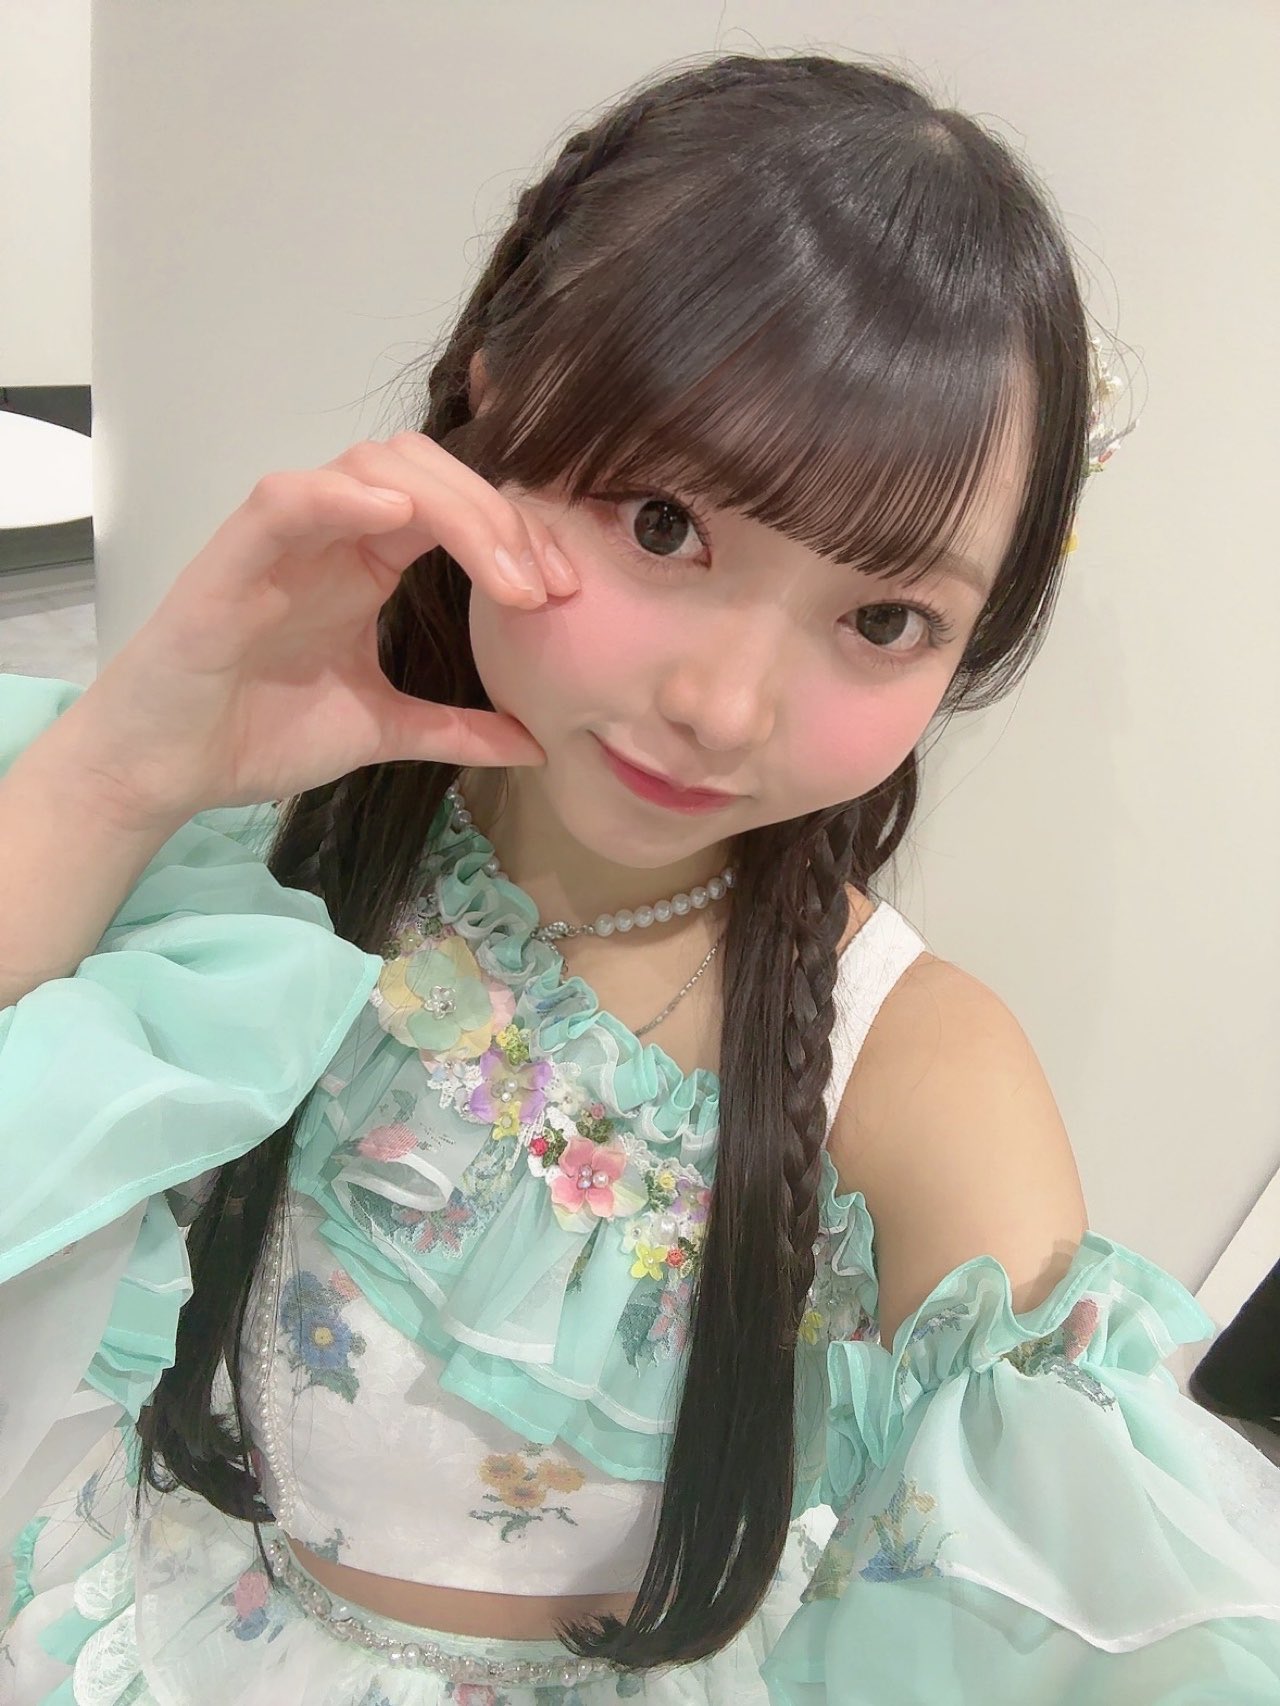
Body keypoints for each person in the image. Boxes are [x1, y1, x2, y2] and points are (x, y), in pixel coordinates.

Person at [2, 47, 1278, 1706]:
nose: (723, 707)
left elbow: (1084, 1637)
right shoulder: (277, 821)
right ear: (495, 401)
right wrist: (121, 770)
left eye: (883, 617)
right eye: (666, 523)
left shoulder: (916, 1077)